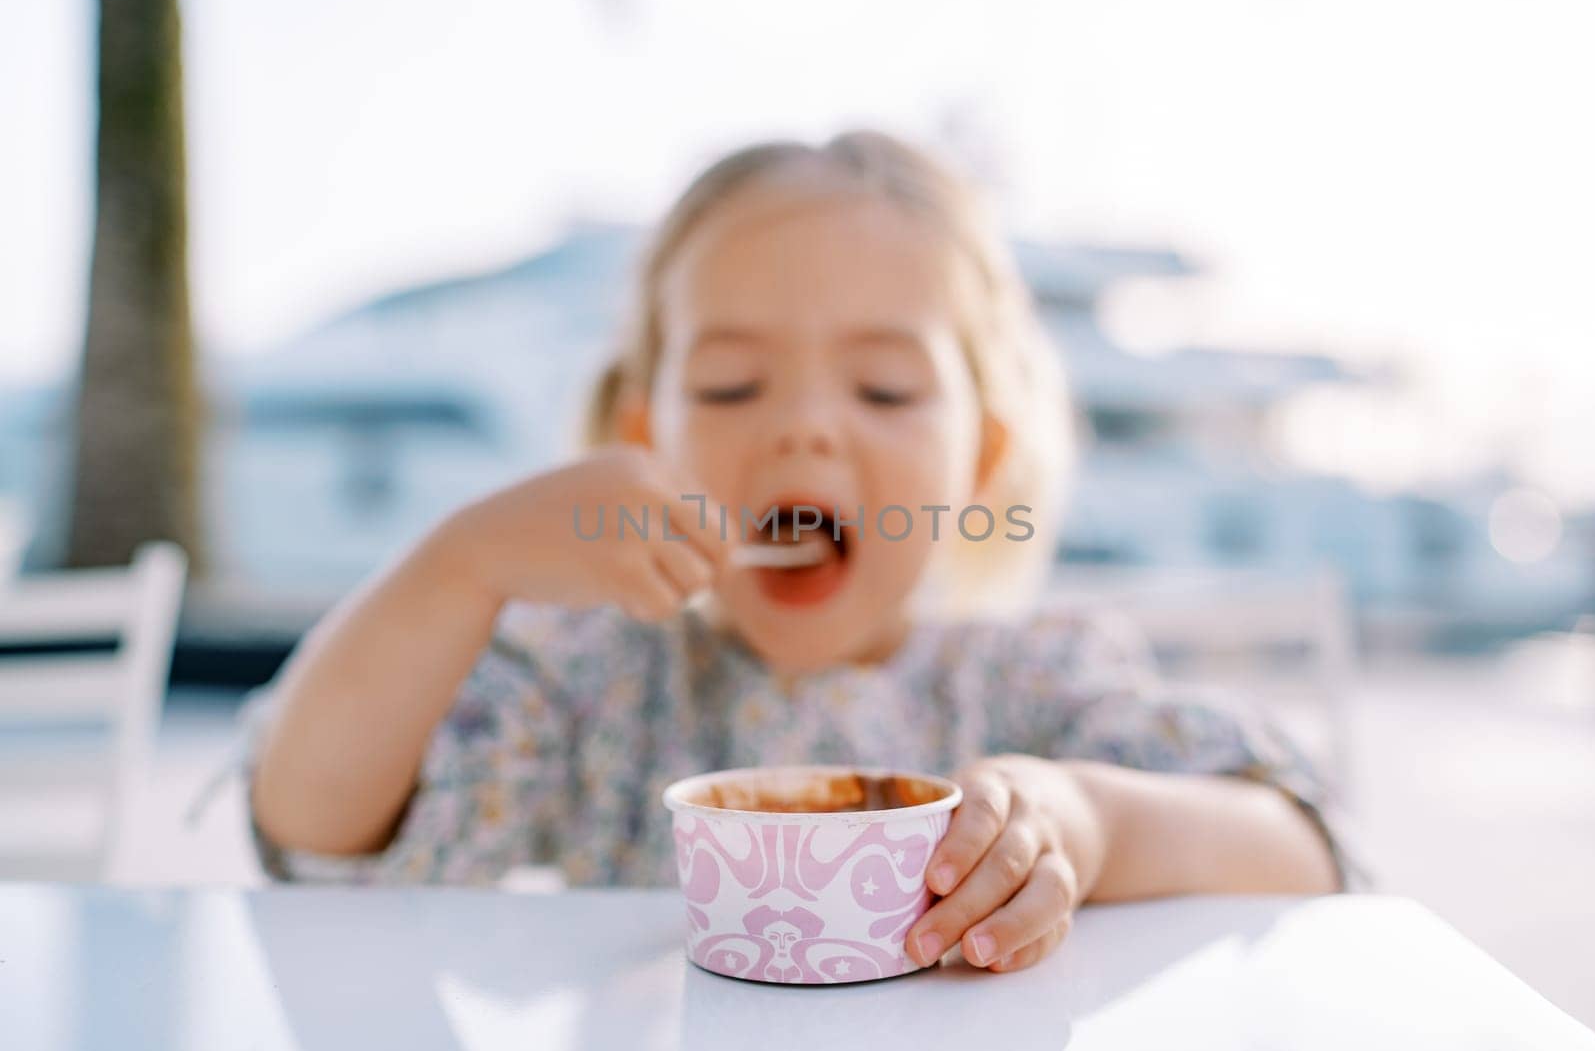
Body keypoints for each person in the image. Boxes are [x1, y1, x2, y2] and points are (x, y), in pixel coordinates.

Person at [244, 130, 1349, 974]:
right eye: (730, 384)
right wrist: (458, 566)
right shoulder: (594, 690)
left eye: (885, 388)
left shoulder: (1031, 685)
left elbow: (1299, 852)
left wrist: (1091, 822)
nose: (807, 427)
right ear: (643, 437)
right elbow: (315, 837)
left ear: (978, 463)